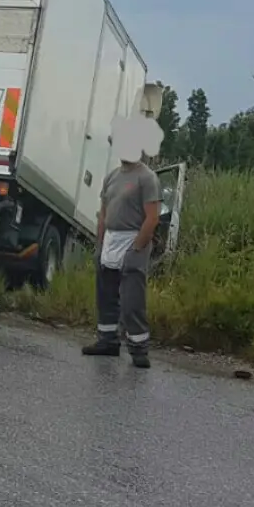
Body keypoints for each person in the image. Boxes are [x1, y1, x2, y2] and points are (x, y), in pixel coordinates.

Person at [82, 136, 162, 368]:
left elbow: (152, 218)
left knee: (131, 299)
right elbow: (104, 213)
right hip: (111, 239)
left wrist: (136, 248)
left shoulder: (147, 178)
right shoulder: (112, 177)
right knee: (106, 294)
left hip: (133, 239)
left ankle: (138, 349)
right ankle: (107, 341)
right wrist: (100, 245)